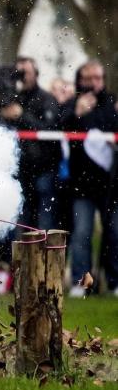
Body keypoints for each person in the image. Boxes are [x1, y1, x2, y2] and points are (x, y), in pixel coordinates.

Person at [61, 60, 118, 297]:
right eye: (89, 78)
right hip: (81, 184)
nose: (94, 83)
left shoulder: (111, 104)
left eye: (98, 78)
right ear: (80, 80)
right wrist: (77, 113)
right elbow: (60, 128)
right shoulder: (72, 104)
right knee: (82, 234)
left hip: (111, 185)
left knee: (114, 233)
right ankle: (82, 283)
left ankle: (114, 282)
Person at [0, 57, 62, 231]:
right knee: (20, 219)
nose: (21, 76)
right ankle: (19, 258)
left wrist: (22, 115)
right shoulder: (11, 98)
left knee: (44, 222)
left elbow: (50, 129)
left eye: (25, 72)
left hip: (43, 169)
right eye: (18, 72)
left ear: (36, 74)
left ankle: (46, 258)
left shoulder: (46, 98)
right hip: (19, 169)